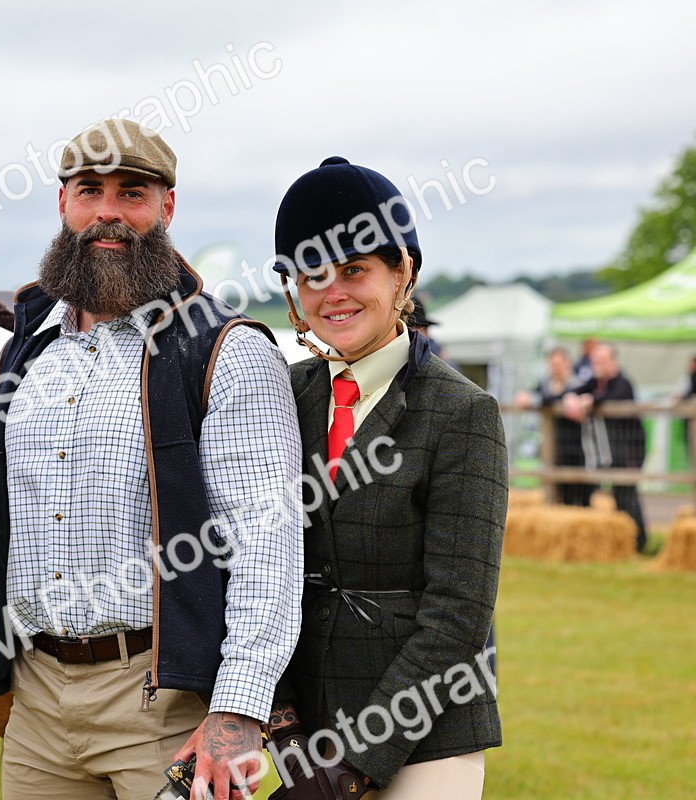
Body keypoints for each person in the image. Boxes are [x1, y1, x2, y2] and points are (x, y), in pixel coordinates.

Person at [0, 119, 303, 798]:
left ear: (167, 207)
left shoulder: (226, 351)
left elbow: (268, 544)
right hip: (37, 704)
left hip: (165, 702)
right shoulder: (21, 353)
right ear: (63, 205)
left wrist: (237, 710)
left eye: (131, 192)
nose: (108, 211)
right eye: (90, 190)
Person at [267, 157, 507, 799]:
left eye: (354, 271)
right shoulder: (283, 400)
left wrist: (353, 770)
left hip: (426, 734)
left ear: (403, 273)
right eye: (312, 275)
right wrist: (284, 723)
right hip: (306, 726)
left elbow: (459, 613)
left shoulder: (463, 413)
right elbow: (259, 568)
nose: (332, 293)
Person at [564, 343, 648, 551]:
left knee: (627, 495)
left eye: (602, 360)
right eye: (595, 361)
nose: (597, 364)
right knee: (614, 495)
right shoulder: (596, 382)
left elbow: (613, 398)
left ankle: (639, 542)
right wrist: (571, 398)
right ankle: (624, 543)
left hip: (629, 449)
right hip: (609, 451)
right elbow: (573, 391)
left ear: (613, 362)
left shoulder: (622, 382)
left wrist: (590, 400)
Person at [515, 348, 593, 506]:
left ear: (567, 364)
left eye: (558, 363)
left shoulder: (578, 384)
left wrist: (534, 400)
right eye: (552, 364)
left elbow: (553, 398)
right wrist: (525, 397)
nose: (555, 367)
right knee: (557, 491)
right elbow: (534, 395)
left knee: (580, 491)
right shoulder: (545, 383)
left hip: (577, 445)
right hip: (553, 444)